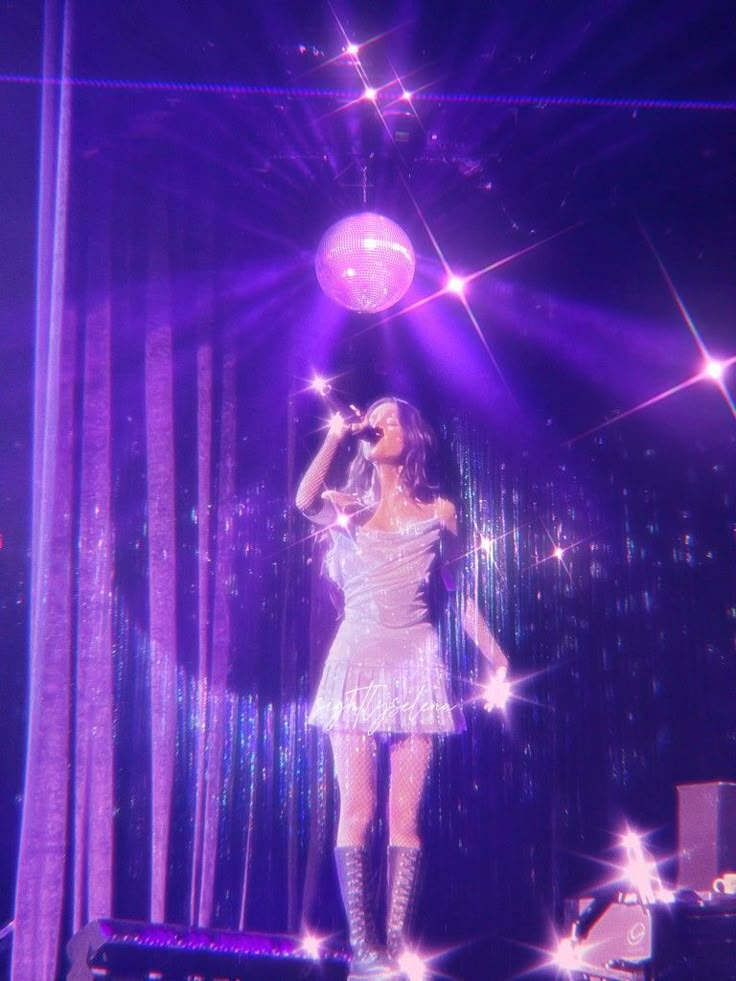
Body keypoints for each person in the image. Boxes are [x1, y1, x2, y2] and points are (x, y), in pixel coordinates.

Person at [296, 397, 509, 981]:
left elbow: (458, 592)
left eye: (390, 419)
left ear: (412, 437)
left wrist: (497, 657)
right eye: (376, 419)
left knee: (405, 817)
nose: (380, 425)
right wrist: (339, 434)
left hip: (417, 660)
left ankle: (392, 948)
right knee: (357, 808)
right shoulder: (346, 508)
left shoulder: (441, 510)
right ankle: (364, 950)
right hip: (358, 657)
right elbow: (304, 500)